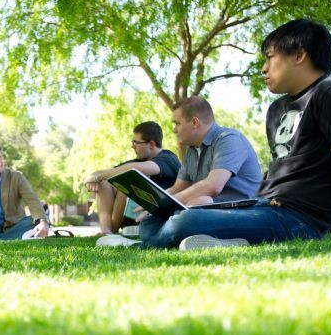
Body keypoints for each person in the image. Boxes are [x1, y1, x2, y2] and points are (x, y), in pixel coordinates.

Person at [103, 19, 331, 250]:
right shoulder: (276, 109)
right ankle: (222, 241)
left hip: (300, 218)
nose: (263, 68)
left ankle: (139, 247)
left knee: (184, 222)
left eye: (270, 57)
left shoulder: (329, 93)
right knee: (156, 217)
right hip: (264, 205)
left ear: (299, 55)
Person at [98, 96, 262, 247]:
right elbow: (177, 188)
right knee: (149, 222)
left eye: (177, 123)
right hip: (204, 210)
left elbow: (213, 186)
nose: (174, 130)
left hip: (240, 213)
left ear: (195, 122)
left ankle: (140, 245)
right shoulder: (192, 150)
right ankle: (207, 240)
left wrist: (168, 203)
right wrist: (156, 206)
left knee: (198, 204)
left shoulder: (228, 139)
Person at [84, 121, 181, 235]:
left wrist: (98, 177)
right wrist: (92, 178)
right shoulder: (141, 160)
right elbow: (110, 172)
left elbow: (135, 169)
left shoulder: (168, 158)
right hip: (136, 214)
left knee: (127, 180)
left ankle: (111, 232)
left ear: (151, 144)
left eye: (136, 143)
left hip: (160, 215)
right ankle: (105, 230)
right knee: (105, 182)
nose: (132, 147)